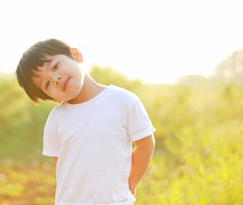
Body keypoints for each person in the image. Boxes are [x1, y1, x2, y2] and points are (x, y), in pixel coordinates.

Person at [16, 38, 155, 205]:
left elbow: (145, 144)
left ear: (75, 55)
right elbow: (63, 163)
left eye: (55, 66)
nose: (56, 79)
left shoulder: (123, 101)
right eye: (46, 84)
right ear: (50, 97)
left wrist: (130, 183)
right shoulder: (56, 119)